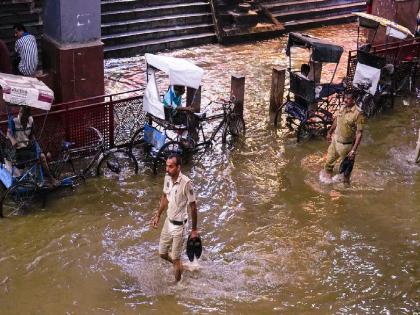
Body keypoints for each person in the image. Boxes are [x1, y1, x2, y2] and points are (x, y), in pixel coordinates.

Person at [152, 154, 199, 282]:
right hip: (168, 222)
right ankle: (181, 266)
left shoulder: (186, 183)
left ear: (178, 167)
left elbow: (193, 207)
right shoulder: (167, 178)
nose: (167, 169)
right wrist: (158, 215)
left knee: (176, 259)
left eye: (171, 166)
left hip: (180, 226)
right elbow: (164, 197)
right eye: (166, 166)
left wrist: (194, 230)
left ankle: (178, 286)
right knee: (162, 253)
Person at [6, 106, 58, 185]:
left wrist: (36, 145)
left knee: (42, 156)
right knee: (42, 157)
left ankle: (48, 177)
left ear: (27, 115)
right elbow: (8, 133)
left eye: (22, 113)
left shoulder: (30, 120)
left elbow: (32, 135)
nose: (20, 114)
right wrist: (13, 140)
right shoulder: (14, 121)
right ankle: (49, 178)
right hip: (19, 151)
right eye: (20, 112)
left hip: (27, 147)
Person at [323, 92, 365, 184]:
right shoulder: (342, 107)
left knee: (346, 172)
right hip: (335, 141)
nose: (345, 100)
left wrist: (353, 150)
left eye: (348, 98)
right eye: (345, 98)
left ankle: (345, 189)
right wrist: (329, 132)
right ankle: (326, 185)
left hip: (346, 146)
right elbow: (336, 121)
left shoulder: (359, 114)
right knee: (328, 164)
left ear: (354, 100)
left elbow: (359, 134)